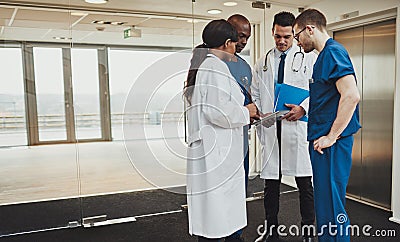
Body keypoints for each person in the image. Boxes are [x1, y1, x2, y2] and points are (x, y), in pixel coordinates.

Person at [184, 19, 259, 242]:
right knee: (217, 216)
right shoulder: (215, 67)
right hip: (218, 153)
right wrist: (247, 110)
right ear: (227, 43)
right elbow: (218, 112)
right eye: (236, 43)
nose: (238, 47)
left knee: (215, 215)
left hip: (215, 151)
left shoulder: (206, 66)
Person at [293, 9, 361, 242]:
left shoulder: (334, 52)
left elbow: (351, 95)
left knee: (333, 206)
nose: (297, 42)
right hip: (323, 144)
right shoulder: (323, 57)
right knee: (325, 205)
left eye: (297, 35)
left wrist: (332, 136)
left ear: (309, 29)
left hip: (332, 144)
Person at [252, 11, 316, 242]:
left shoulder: (308, 57)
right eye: (278, 36)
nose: (282, 41)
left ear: (294, 33)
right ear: (272, 32)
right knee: (271, 184)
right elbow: (256, 91)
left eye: (287, 37)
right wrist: (260, 111)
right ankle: (271, 232)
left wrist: (303, 108)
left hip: (296, 128)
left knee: (304, 184)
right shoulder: (264, 60)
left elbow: (319, 90)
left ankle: (308, 232)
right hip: (272, 129)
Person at [226, 13, 253, 194]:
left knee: (239, 183)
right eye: (241, 36)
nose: (244, 42)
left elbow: (249, 101)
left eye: (247, 38)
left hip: (241, 133)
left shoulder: (244, 66)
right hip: (221, 135)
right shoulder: (212, 63)